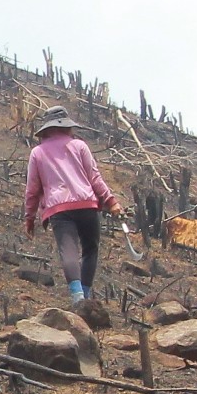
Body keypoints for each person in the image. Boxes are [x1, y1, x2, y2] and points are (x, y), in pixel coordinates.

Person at [22, 106, 120, 306]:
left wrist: (29, 217)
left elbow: (32, 189)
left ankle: (77, 298)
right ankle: (85, 295)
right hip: (86, 205)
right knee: (90, 249)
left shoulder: (37, 153)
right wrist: (111, 201)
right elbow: (94, 177)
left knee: (69, 251)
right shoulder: (79, 146)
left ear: (46, 130)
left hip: (59, 210)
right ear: (67, 127)